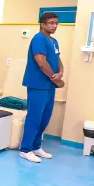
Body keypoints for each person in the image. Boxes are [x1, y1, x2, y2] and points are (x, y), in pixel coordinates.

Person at [20, 12, 64, 163]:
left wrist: (61, 73)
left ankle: (36, 146)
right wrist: (56, 79)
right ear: (42, 24)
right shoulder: (38, 39)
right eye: (51, 23)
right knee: (34, 117)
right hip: (37, 84)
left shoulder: (54, 41)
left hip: (49, 85)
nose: (54, 26)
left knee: (45, 118)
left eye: (56, 23)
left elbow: (58, 59)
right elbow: (41, 62)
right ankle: (25, 149)